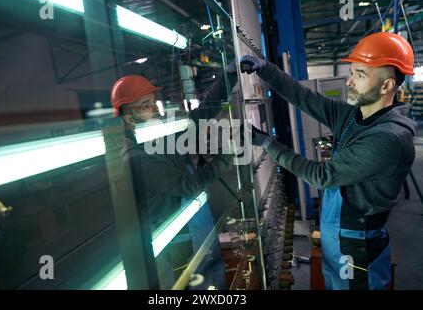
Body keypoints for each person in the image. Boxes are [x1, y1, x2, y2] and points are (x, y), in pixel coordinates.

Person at [240, 32, 416, 290]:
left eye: (360, 75)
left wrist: (269, 143)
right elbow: (304, 98)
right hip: (337, 237)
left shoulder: (389, 138)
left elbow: (321, 176)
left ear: (387, 86)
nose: (349, 81)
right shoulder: (353, 115)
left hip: (358, 247)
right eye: (352, 72)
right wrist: (266, 70)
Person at [110, 73, 234, 289]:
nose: (156, 110)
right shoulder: (136, 158)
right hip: (179, 239)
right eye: (146, 105)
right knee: (198, 286)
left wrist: (229, 77)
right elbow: (189, 186)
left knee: (215, 277)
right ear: (129, 118)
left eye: (154, 102)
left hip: (197, 222)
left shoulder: (159, 134)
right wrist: (227, 156)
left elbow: (200, 116)